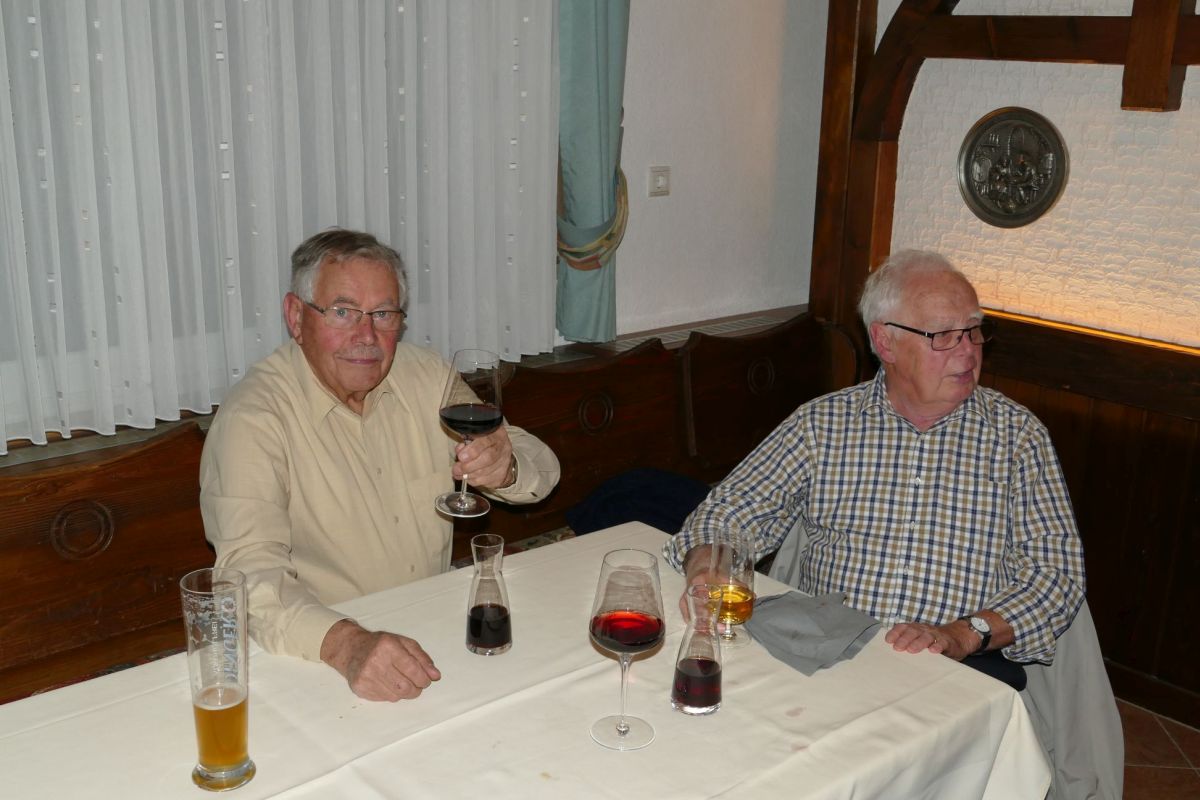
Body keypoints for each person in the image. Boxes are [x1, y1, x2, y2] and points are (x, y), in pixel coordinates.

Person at [664, 249, 1086, 674]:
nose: (968, 351)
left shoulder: (1017, 438)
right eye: (944, 335)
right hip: (825, 655)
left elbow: (1056, 577)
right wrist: (708, 571)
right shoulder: (823, 424)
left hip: (950, 668)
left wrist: (963, 633)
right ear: (886, 342)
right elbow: (727, 514)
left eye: (974, 330)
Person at [200, 228, 560, 702]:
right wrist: (346, 644)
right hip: (321, 657)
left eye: (384, 314)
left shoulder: (427, 377)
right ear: (296, 317)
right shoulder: (253, 418)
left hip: (435, 630)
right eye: (343, 311)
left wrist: (505, 466)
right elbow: (248, 577)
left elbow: (539, 468)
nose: (366, 336)